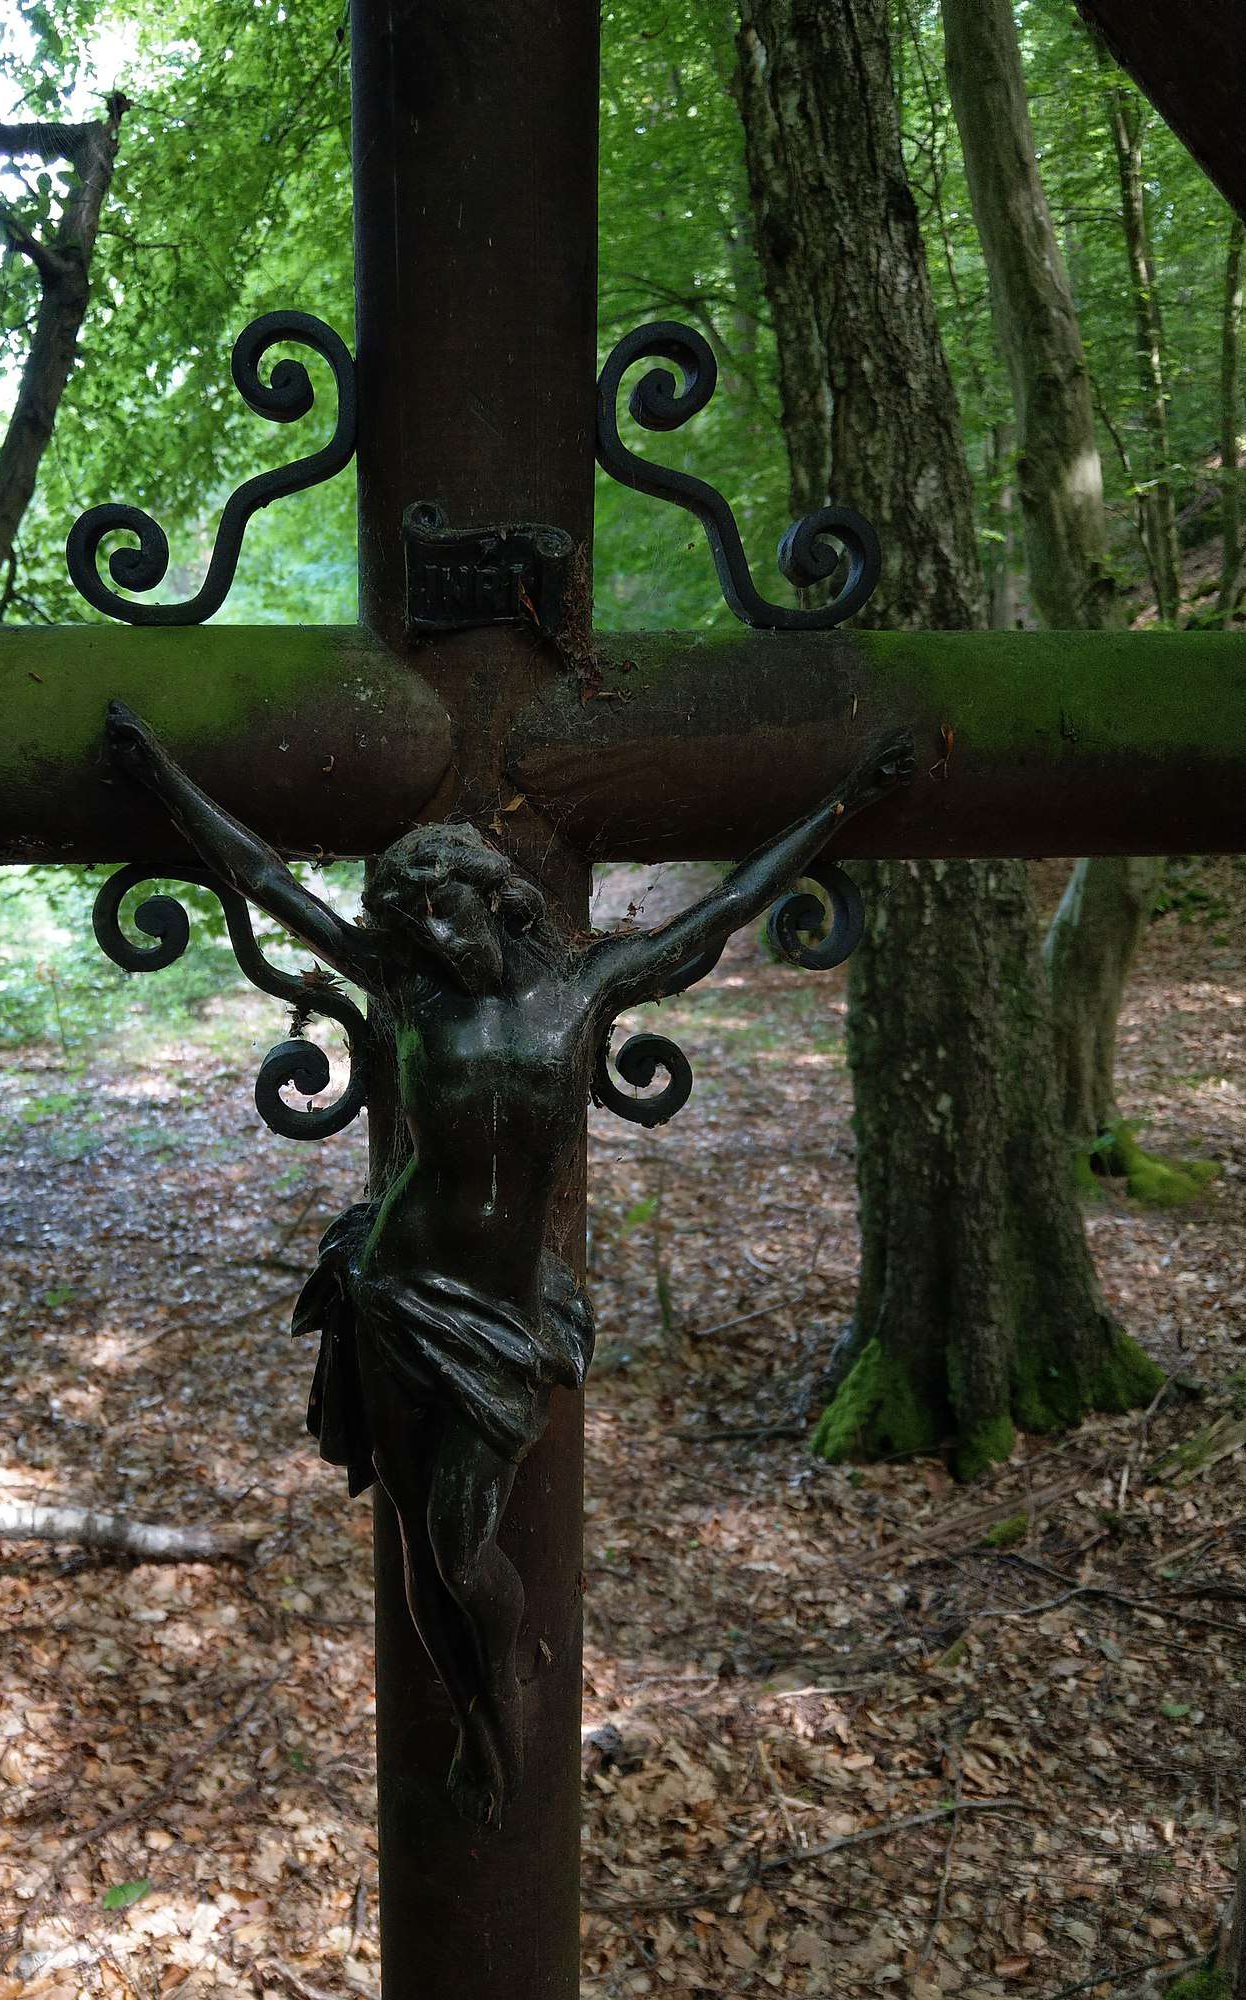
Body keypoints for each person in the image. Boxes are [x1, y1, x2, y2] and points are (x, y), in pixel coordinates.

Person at [104, 699, 913, 1825]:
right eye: (412, 920)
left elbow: (731, 903)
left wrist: (851, 796)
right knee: (415, 1538)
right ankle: (476, 1719)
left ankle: (507, 1701)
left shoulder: (585, 989)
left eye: (446, 909)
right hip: (393, 1292)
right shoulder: (402, 986)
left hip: (505, 1308)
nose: (436, 937)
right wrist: (158, 775)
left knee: (459, 1537)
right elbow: (268, 880)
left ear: (497, 895)